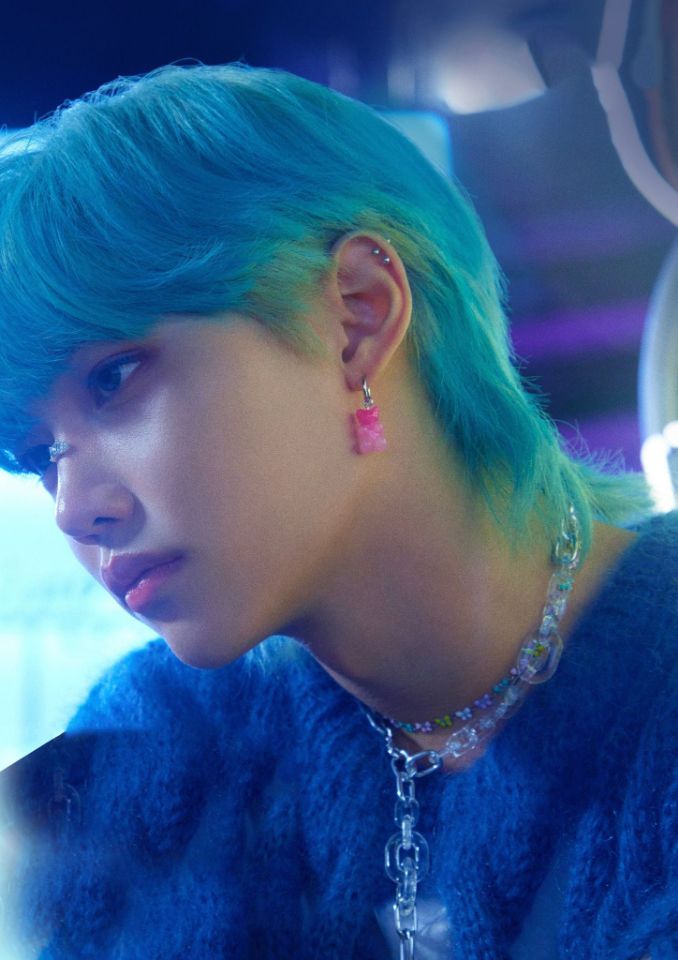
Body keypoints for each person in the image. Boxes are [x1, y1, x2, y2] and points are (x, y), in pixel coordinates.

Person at [0, 61, 674, 960]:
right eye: (39, 455)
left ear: (357, 316)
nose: (73, 510)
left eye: (113, 380)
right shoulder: (161, 748)